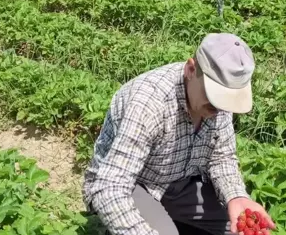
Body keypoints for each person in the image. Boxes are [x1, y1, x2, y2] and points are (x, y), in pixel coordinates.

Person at [82, 33, 275, 235]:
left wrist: (236, 197)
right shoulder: (148, 103)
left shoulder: (217, 103)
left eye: (227, 100)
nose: (220, 107)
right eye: (215, 95)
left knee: (237, 230)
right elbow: (110, 188)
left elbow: (221, 157)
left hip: (182, 184)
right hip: (137, 185)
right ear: (191, 69)